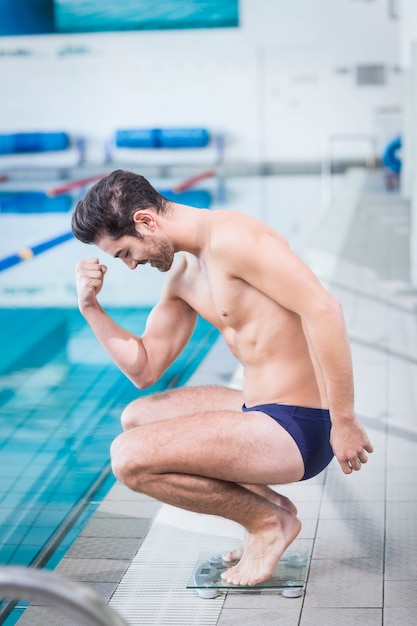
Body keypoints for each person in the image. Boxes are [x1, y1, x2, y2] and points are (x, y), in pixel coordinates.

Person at [72, 169, 373, 586]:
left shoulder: (235, 239)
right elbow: (144, 369)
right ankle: (269, 509)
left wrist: (345, 420)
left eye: (124, 253)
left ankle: (268, 524)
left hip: (302, 427)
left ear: (145, 221)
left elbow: (324, 309)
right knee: (137, 417)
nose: (131, 265)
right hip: (260, 409)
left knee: (128, 459)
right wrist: (90, 308)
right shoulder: (183, 273)